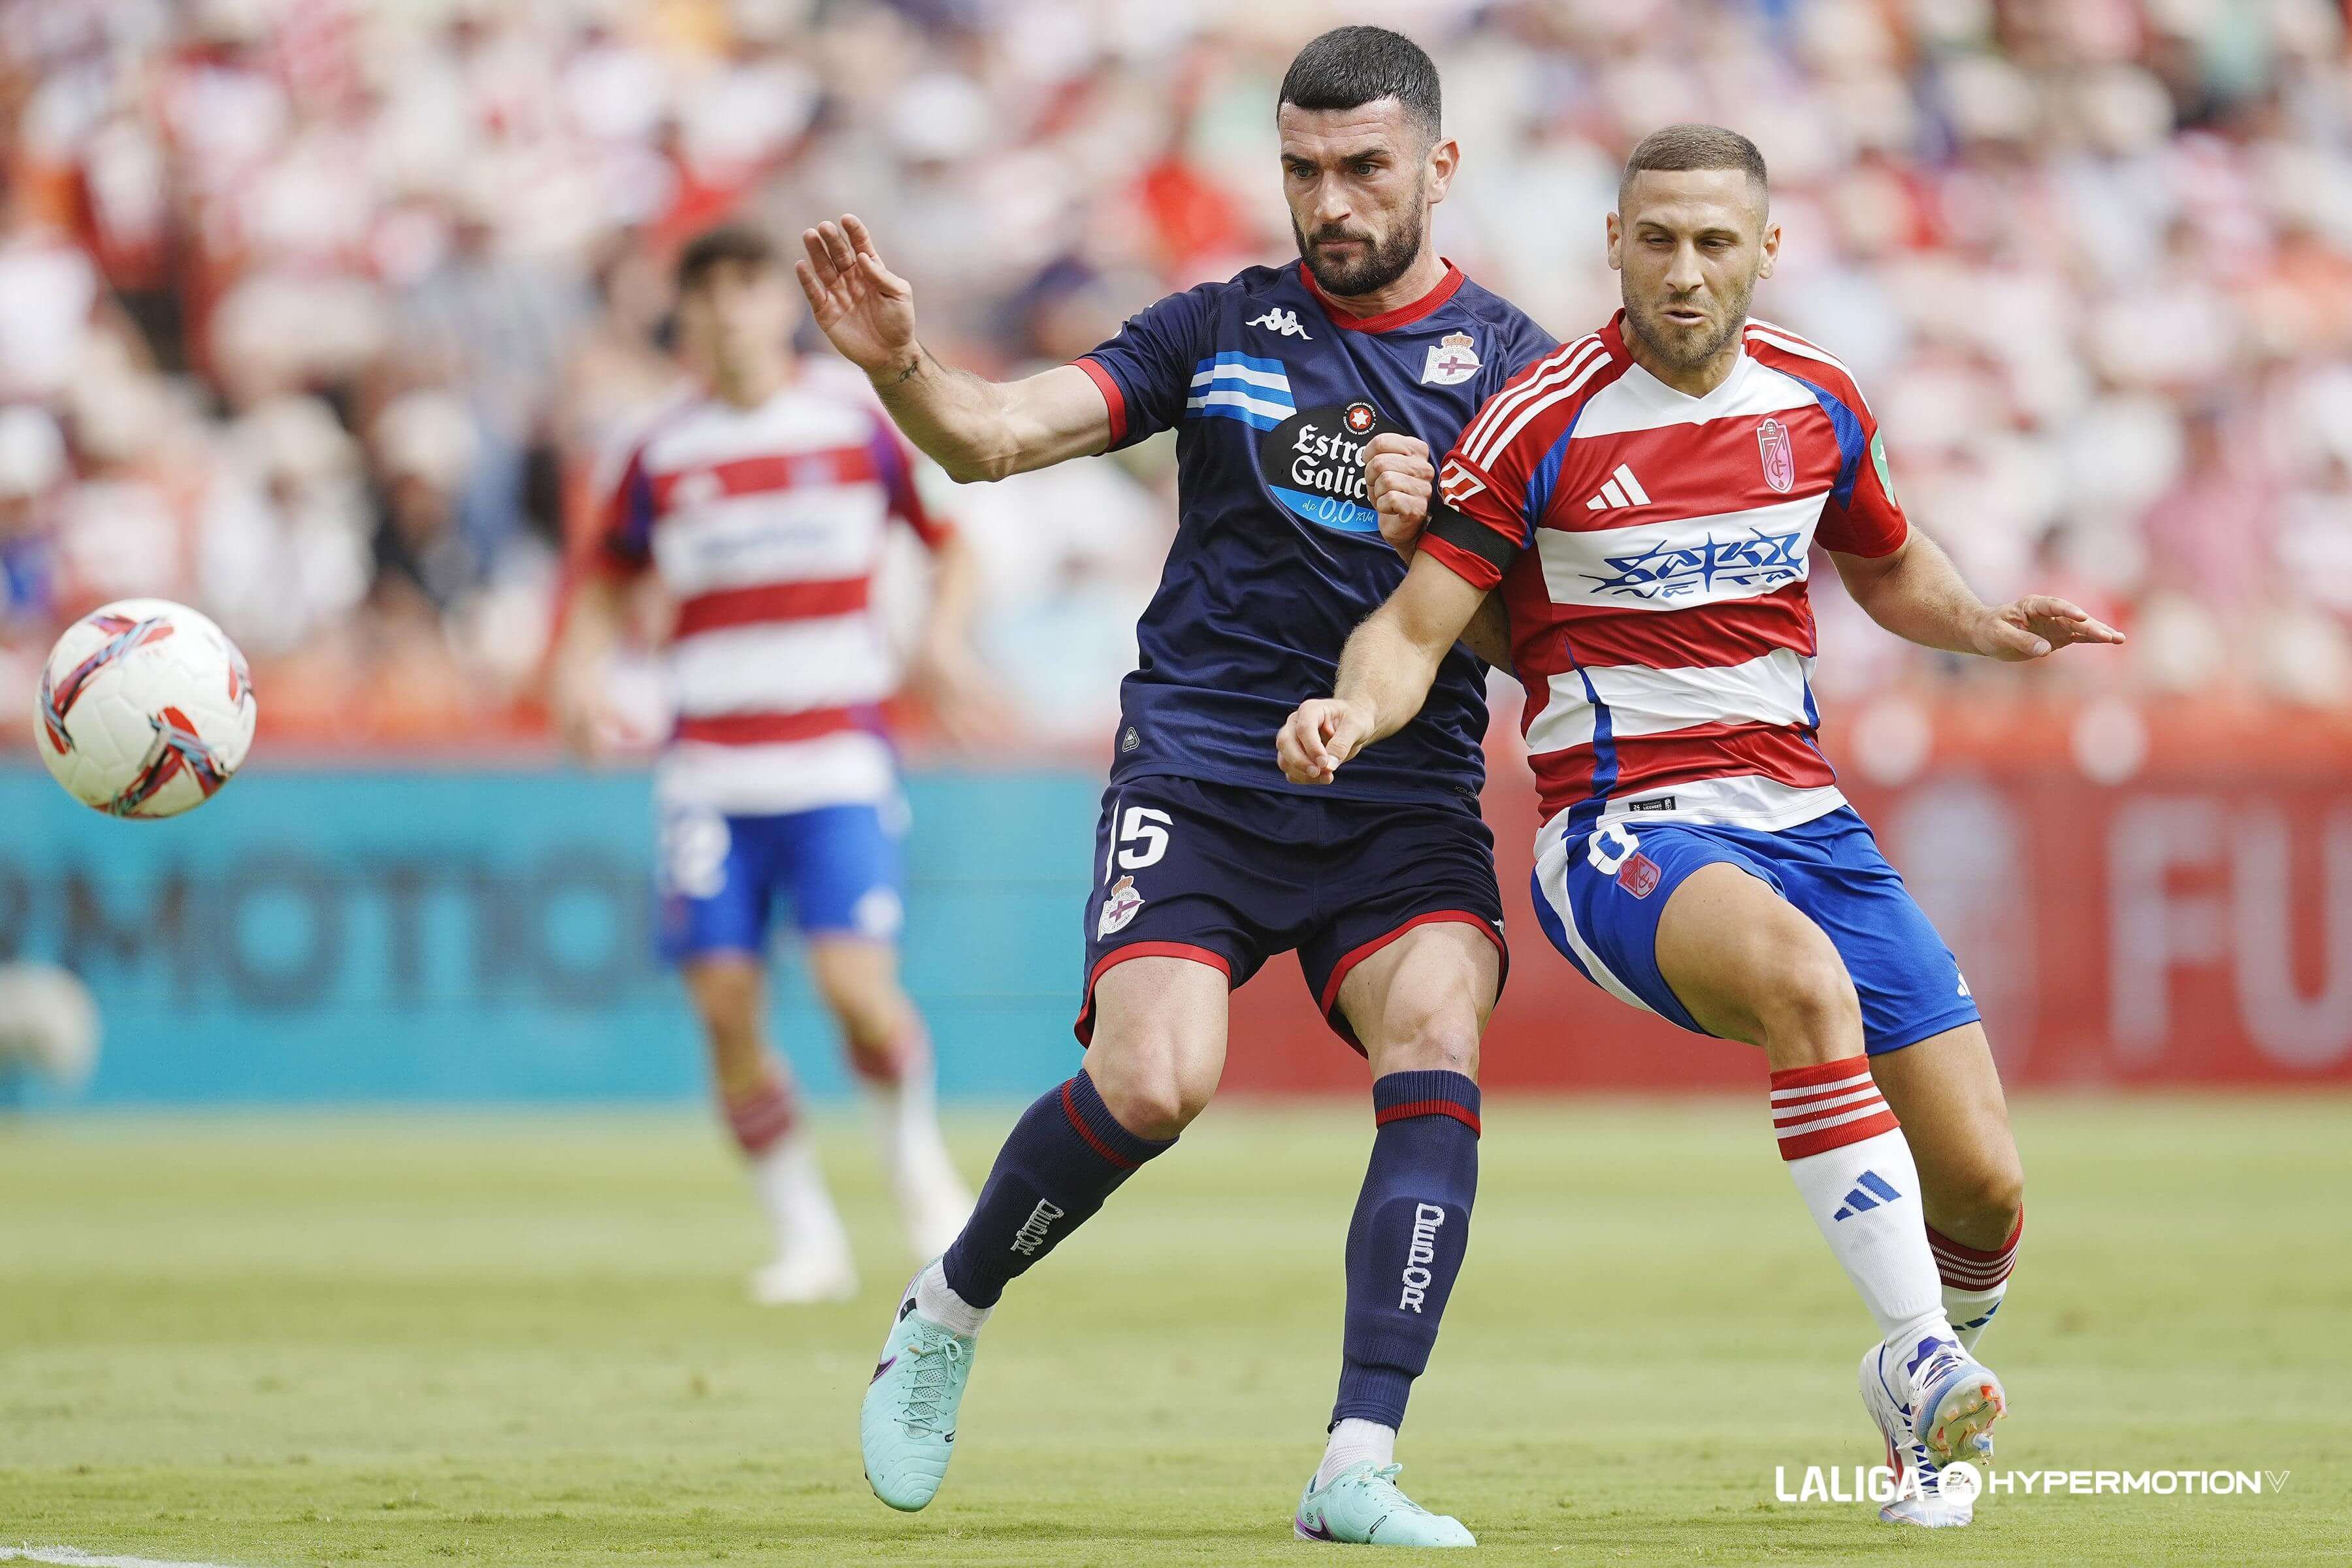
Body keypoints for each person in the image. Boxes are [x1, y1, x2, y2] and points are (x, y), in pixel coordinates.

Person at [1280, 124, 2122, 1530]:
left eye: (1714, 243)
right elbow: (1417, 623)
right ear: (1614, 243)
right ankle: (1916, 1351)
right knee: (1801, 980)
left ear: (1766, 251)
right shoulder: (1536, 423)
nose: (1684, 272)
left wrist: (1990, 625)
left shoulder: (1818, 398)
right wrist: (1350, 713)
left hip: (1804, 814)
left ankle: (1923, 1400)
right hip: (1624, 826)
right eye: (1657, 240)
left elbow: (1892, 565)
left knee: (1981, 1183)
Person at [800, 27, 1556, 1546]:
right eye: (1302, 170)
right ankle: (947, 1305)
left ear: (1439, 167)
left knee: (1439, 1029)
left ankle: (1356, 1460)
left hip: (1397, 793)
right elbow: (996, 438)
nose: (1329, 201)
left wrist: (1445, 539)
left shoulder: (1519, 375)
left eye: (1363, 169)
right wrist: (903, 365)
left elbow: (1535, 636)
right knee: (1156, 1082)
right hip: (1205, 766)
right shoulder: (1219, 329)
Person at [551, 225, 983, 1306]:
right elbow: (603, 576)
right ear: (685, 314)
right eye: (706, 292)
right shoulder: (654, 447)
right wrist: (578, 672)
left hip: (835, 755)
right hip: (709, 770)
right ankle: (807, 1237)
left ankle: (921, 1174)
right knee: (727, 1008)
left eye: (747, 287)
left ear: (777, 304)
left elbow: (951, 539)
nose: (728, 310)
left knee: (855, 990)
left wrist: (940, 641)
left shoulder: (853, 419)